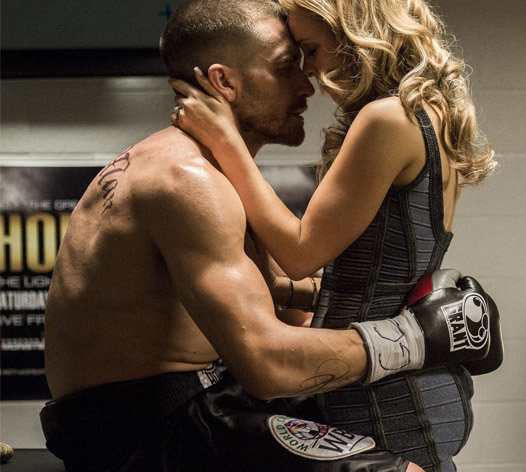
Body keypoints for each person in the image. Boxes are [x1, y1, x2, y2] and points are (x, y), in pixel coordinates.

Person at [39, 1, 496, 471]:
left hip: (207, 393)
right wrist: (416, 338)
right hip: (141, 424)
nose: (308, 83)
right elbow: (268, 364)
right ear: (225, 82)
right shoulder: (185, 179)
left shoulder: (213, 174)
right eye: (285, 66)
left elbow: (283, 308)